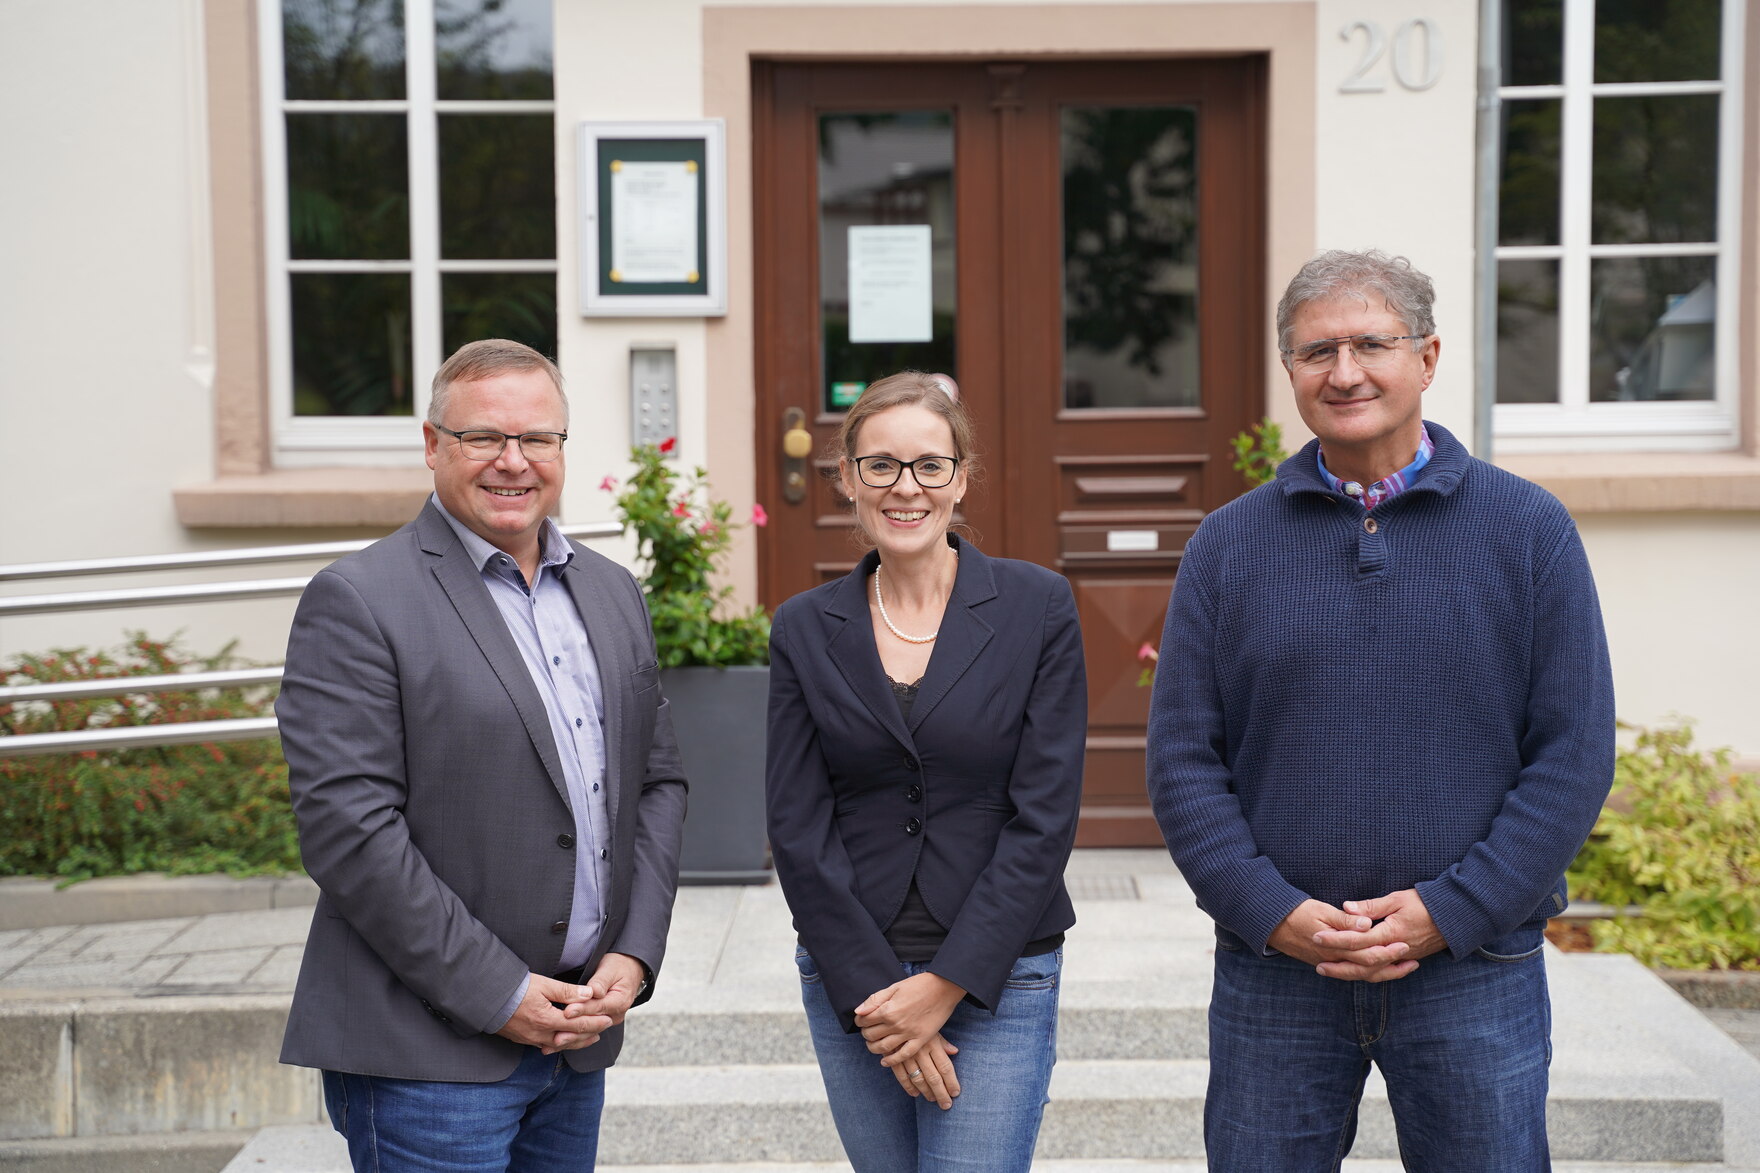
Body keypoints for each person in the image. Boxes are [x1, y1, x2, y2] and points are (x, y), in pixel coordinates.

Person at [1147, 249, 1615, 1170]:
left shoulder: (1529, 534)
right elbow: (1183, 761)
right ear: (1290, 372)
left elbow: (1572, 754)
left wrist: (1455, 908)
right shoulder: (1227, 547)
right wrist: (1269, 909)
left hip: (1473, 968)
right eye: (1317, 351)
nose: (1345, 371)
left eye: (1371, 343)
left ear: (1429, 357)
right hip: (1278, 969)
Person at [276, 338, 688, 1172]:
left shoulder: (610, 590)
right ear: (433, 446)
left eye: (538, 438)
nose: (514, 461)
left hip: (575, 1035)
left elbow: (657, 782)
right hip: (427, 1053)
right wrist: (500, 994)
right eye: (483, 438)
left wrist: (633, 951)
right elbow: (350, 833)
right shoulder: (358, 599)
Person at [765, 371, 1087, 1172]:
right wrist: (881, 997)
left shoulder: (1036, 606)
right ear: (847, 479)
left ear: (961, 475)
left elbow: (1043, 818)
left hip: (999, 970)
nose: (906, 487)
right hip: (855, 977)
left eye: (929, 465)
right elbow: (796, 825)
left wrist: (944, 985)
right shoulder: (804, 627)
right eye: (880, 465)